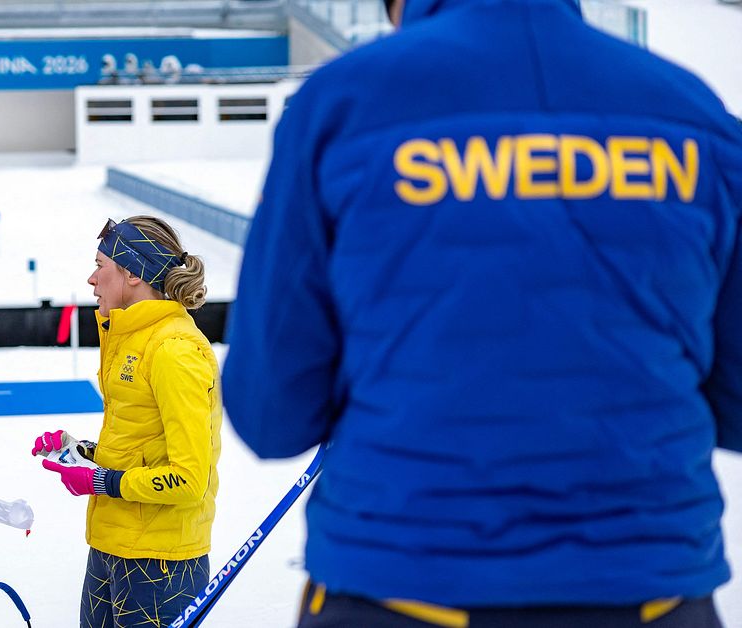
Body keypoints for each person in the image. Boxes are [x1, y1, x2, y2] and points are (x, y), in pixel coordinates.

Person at [222, 0, 742, 626]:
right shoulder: (691, 112)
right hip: (646, 589)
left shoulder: (346, 104)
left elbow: (271, 411)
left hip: (402, 584)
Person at [32, 216, 223, 628]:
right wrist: (79, 451)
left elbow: (190, 479)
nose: (91, 278)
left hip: (162, 563)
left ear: (133, 273)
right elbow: (142, 446)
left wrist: (101, 482)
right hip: (113, 544)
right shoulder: (130, 337)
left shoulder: (173, 351)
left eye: (101, 265)